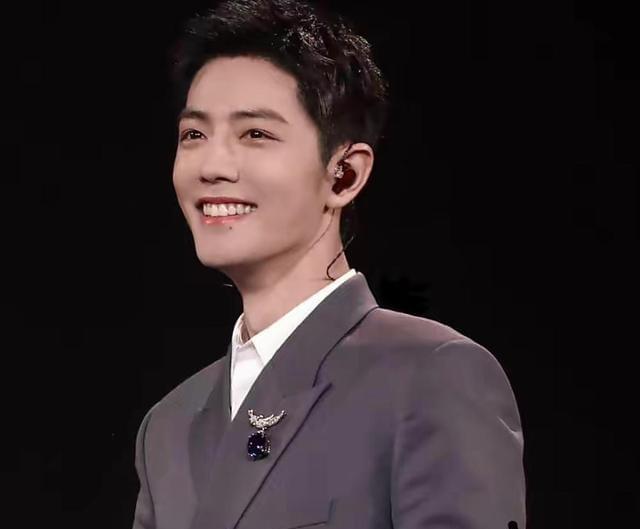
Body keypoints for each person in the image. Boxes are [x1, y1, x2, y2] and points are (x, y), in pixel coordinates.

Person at [132, 1, 526, 528]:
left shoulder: (429, 376)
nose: (211, 166)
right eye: (194, 135)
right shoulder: (167, 427)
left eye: (255, 134)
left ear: (344, 174)